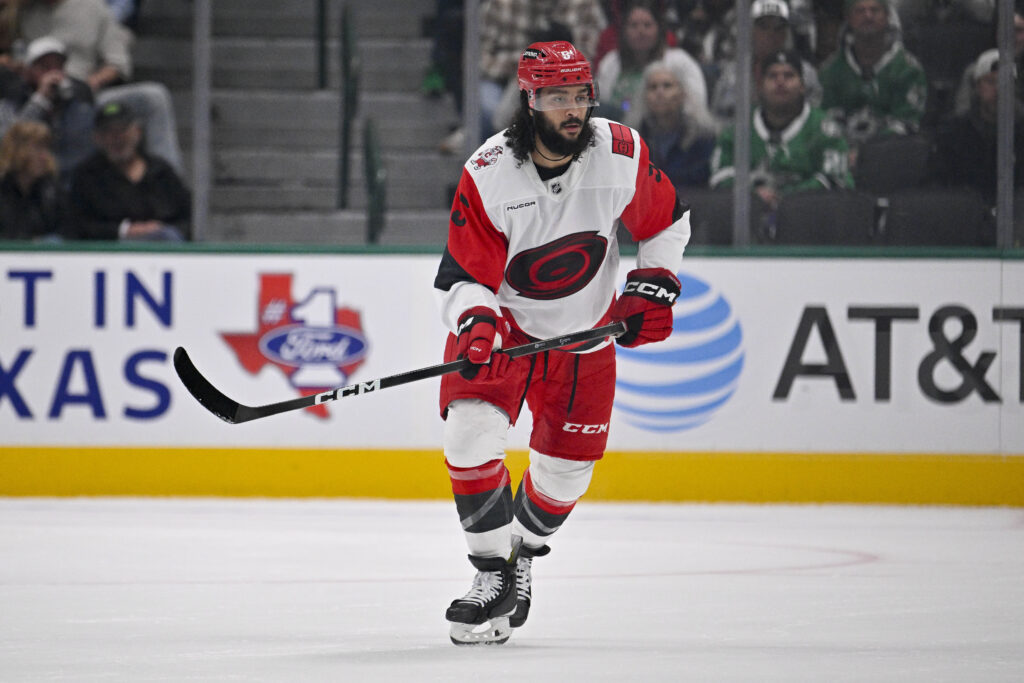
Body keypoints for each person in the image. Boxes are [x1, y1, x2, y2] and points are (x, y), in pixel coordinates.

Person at [433, 40, 690, 646]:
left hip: (586, 337)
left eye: (580, 95)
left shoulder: (619, 153)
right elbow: (463, 275)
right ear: (529, 101)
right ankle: (492, 574)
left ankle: (520, 556)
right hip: (508, 332)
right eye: (556, 97)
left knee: (566, 475)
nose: (573, 109)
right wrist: (476, 321)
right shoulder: (488, 172)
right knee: (468, 435)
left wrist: (652, 285)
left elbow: (667, 222)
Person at [17, 0, 182, 172]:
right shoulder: (21, 13)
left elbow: (118, 64)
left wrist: (87, 86)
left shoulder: (93, 7)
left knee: (154, 96)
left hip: (85, 92)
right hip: (34, 95)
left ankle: (167, 179)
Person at [710, 50, 852, 213]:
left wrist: (788, 198)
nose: (780, 82)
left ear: (802, 86)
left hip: (809, 218)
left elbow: (836, 180)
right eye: (772, 76)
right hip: (751, 218)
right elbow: (720, 175)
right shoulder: (738, 129)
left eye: (789, 75)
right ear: (760, 86)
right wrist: (753, 194)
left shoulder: (824, 129)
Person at [474, 0, 606, 143]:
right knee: (487, 111)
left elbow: (588, 63)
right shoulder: (499, 3)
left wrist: (553, 65)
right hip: (502, 80)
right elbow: (479, 61)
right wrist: (526, 63)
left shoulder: (585, 5)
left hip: (565, 81)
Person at [68, 100, 190, 240]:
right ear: (97, 137)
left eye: (122, 130)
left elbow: (187, 217)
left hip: (164, 247)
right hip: (109, 248)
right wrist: (124, 231)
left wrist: (159, 229)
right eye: (108, 132)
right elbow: (78, 225)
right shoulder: (86, 176)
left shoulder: (162, 171)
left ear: (137, 131)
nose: (117, 138)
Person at [818, 0, 927, 150]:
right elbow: (825, 121)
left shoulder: (908, 70)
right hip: (842, 154)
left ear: (887, 16)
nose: (868, 16)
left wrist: (869, 153)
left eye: (874, 10)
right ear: (849, 19)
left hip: (893, 154)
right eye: (860, 11)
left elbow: (906, 123)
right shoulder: (830, 71)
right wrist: (844, 149)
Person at [931, 48, 1024, 208]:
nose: (998, 90)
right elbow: (937, 182)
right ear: (977, 86)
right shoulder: (953, 131)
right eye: (990, 82)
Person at [709, 0, 821, 126]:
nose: (771, 34)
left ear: (787, 32)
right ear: (751, 31)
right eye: (763, 26)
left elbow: (814, 120)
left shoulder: (805, 73)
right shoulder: (733, 74)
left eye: (778, 27)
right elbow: (719, 119)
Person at [595, 0, 706, 127]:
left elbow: (696, 107)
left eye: (647, 25)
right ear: (624, 31)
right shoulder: (611, 61)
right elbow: (599, 104)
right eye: (633, 25)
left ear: (659, 29)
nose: (640, 31)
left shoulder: (680, 62)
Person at [7, 35, 95, 184]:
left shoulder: (79, 95)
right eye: (45, 67)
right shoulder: (13, 95)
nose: (53, 74)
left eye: (58, 67)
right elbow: (10, 141)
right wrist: (40, 100)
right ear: (28, 71)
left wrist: (67, 101)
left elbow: (84, 144)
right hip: (27, 178)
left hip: (71, 177)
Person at [636, 58, 718, 187]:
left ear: (683, 93)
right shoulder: (635, 137)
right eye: (653, 87)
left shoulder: (702, 137)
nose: (659, 93)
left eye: (667, 86)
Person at [0, 119, 70, 239]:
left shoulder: (53, 192)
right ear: (16, 151)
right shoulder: (3, 190)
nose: (45, 156)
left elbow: (68, 230)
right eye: (38, 148)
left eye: (47, 148)